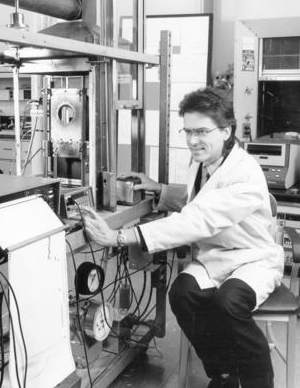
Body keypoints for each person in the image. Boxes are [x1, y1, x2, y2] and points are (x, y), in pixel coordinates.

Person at [81, 87, 283, 388]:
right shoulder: (203, 162)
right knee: (181, 294)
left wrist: (121, 236)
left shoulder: (245, 173)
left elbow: (199, 218)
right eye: (187, 131)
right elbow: (196, 200)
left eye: (201, 131)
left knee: (229, 303)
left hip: (254, 257)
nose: (191, 140)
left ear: (226, 130)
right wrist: (160, 189)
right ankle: (224, 373)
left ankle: (258, 382)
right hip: (218, 256)